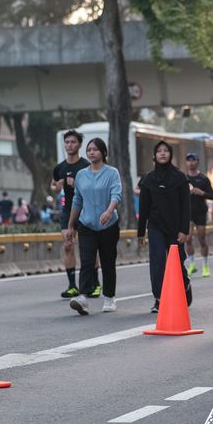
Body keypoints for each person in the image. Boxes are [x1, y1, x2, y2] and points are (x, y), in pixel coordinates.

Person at [65, 138, 121, 315]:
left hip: (108, 225)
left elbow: (116, 194)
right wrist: (70, 225)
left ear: (103, 152)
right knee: (87, 261)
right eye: (89, 150)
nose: (91, 152)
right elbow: (77, 200)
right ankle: (82, 297)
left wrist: (109, 211)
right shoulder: (81, 175)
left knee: (108, 262)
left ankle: (109, 297)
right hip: (87, 224)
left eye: (95, 149)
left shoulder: (112, 173)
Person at [137, 141, 192, 313]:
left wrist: (184, 230)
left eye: (166, 151)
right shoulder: (148, 179)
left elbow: (186, 206)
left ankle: (185, 284)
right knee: (158, 261)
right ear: (154, 155)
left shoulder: (180, 178)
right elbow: (143, 208)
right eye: (159, 151)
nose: (162, 153)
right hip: (155, 227)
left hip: (176, 228)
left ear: (171, 154)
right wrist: (140, 233)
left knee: (177, 262)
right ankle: (159, 298)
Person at [52, 129, 91, 298]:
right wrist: (57, 187)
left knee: (89, 248)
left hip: (86, 210)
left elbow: (92, 188)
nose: (69, 145)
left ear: (79, 144)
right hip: (68, 211)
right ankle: (72, 285)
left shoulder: (86, 166)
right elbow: (53, 185)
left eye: (73, 142)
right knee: (68, 246)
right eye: (67, 142)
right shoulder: (60, 167)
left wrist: (77, 185)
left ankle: (94, 283)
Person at [184, 152, 213, 278]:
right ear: (186, 163)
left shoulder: (203, 179)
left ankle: (205, 265)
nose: (191, 162)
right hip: (188, 212)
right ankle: (192, 264)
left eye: (193, 160)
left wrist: (201, 193)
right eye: (189, 160)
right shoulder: (184, 179)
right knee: (188, 238)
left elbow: (212, 195)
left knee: (202, 239)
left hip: (201, 212)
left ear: (197, 162)